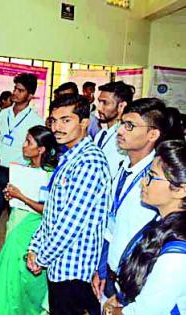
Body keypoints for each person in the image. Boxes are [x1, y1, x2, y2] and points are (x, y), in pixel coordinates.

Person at [92, 98, 183, 303]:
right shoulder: (123, 165)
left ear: (152, 134)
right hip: (113, 272)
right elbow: (112, 228)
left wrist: (128, 293)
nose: (121, 131)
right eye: (122, 123)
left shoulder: (160, 183)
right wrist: (102, 268)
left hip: (136, 283)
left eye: (130, 126)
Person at [27, 94, 112, 315]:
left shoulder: (89, 162)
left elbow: (69, 224)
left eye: (66, 120)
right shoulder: (70, 157)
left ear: (84, 122)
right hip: (59, 262)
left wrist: (41, 257)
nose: (57, 127)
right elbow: (52, 214)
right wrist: (34, 247)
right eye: (54, 121)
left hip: (73, 270)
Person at [0, 125, 58, 315]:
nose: (23, 145)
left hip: (32, 229)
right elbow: (18, 199)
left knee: (24, 274)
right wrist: (11, 196)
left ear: (41, 149)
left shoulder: (50, 175)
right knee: (10, 273)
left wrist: (20, 196)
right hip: (16, 221)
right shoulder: (26, 169)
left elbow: (48, 210)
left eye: (28, 142)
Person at [103, 140, 186, 314]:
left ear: (180, 190)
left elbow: (145, 311)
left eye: (151, 177)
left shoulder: (177, 254)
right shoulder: (161, 220)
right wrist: (121, 298)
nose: (143, 182)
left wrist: (113, 311)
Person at [0, 73, 44, 268]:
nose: (15, 93)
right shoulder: (2, 114)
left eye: (21, 90)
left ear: (30, 95)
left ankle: (13, 255)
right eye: (15, 88)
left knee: (16, 217)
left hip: (20, 174)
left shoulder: (34, 120)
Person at [94, 81, 135, 178]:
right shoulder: (101, 134)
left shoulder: (125, 137)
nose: (99, 108)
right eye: (99, 102)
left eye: (105, 103)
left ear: (121, 106)